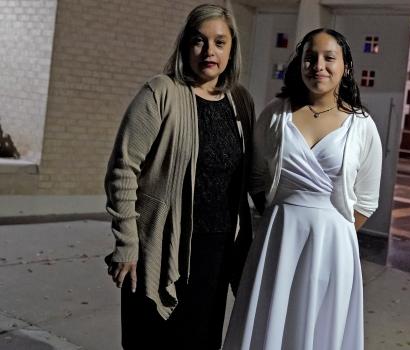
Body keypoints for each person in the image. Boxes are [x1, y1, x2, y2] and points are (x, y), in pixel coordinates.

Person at [104, 4, 255, 349]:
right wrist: (127, 243)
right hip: (160, 246)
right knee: (153, 340)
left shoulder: (240, 102)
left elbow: (251, 179)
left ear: (232, 50)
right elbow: (123, 170)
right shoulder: (160, 93)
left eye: (220, 42)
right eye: (199, 41)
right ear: (186, 45)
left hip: (216, 252)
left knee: (202, 340)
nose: (209, 52)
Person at [223, 28, 383, 350]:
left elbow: (365, 202)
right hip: (280, 239)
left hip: (334, 248)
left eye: (329, 58)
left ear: (346, 67)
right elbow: (255, 179)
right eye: (310, 58)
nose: (318, 66)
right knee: (272, 323)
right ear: (300, 64)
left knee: (319, 330)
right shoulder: (275, 113)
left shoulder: (363, 126)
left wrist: (332, 231)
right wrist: (281, 220)